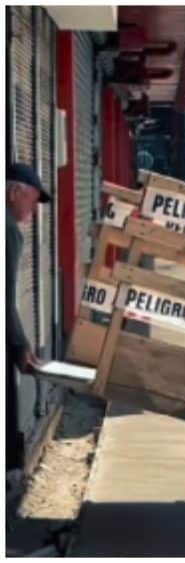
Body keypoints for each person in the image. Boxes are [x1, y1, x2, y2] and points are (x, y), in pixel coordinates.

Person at [7, 163, 51, 471]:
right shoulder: (7, 231)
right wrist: (20, 345)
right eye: (33, 200)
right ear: (14, 193)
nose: (34, 210)